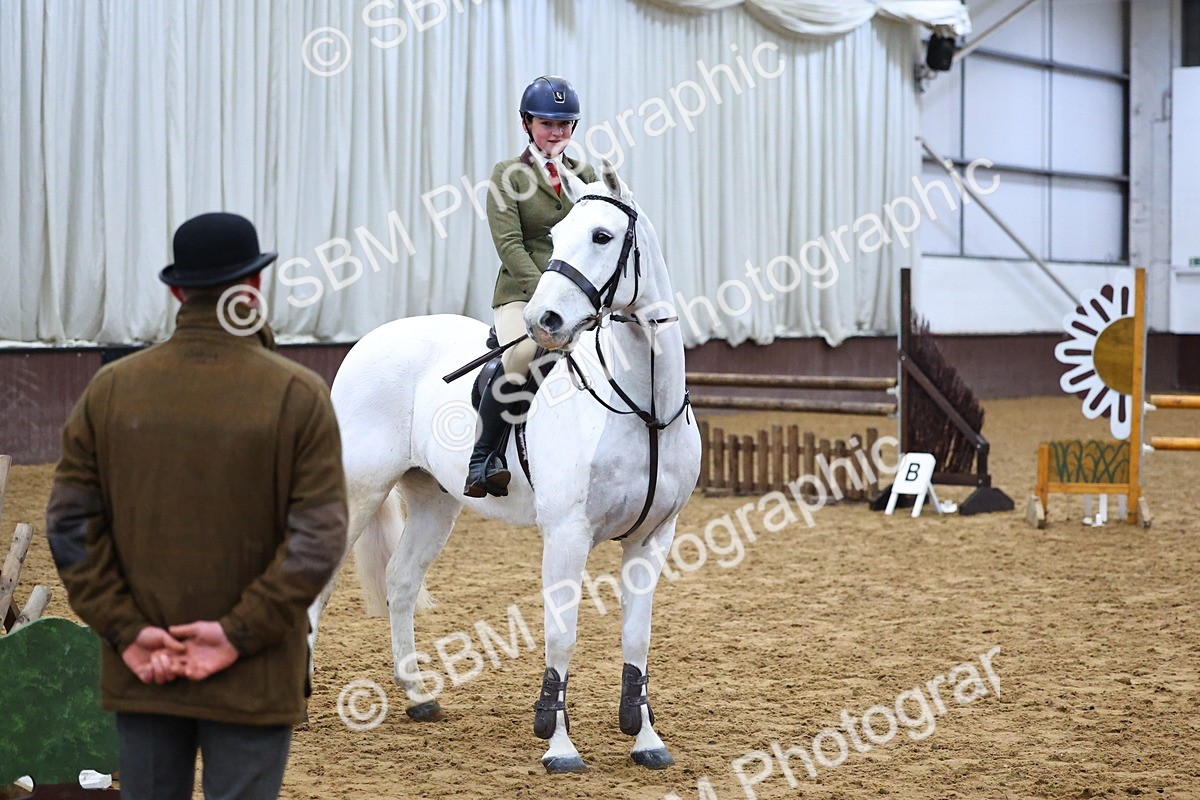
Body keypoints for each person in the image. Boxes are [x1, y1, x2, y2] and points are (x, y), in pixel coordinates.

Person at [45, 212, 348, 800]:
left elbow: (69, 527)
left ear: (177, 291)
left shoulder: (110, 389)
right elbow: (318, 539)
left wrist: (127, 630)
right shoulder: (298, 394)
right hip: (255, 674)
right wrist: (237, 633)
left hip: (145, 669)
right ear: (253, 286)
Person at [464, 75, 599, 498]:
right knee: (523, 354)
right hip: (523, 294)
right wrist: (547, 293)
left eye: (564, 124)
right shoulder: (508, 175)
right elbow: (509, 244)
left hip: (577, 299)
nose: (556, 133)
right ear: (527, 123)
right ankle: (483, 458)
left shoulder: (586, 174)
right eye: (546, 124)